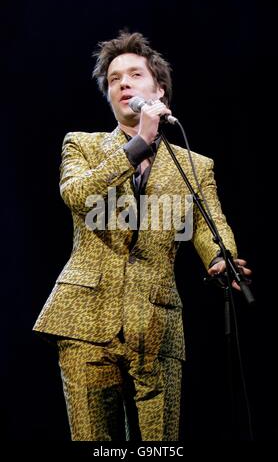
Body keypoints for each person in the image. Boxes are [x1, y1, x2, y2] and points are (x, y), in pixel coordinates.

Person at [33, 31, 251, 441]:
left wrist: (221, 257)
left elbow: (209, 223)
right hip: (85, 321)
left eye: (134, 74)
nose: (123, 83)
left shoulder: (194, 165)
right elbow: (77, 195)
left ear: (159, 91)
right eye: (114, 79)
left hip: (157, 323)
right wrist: (138, 144)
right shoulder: (83, 145)